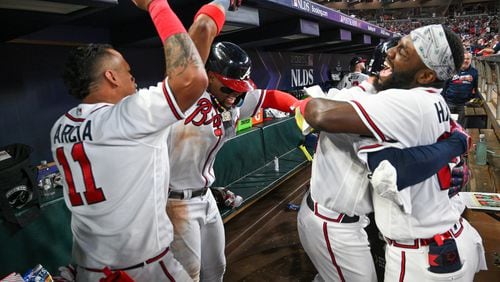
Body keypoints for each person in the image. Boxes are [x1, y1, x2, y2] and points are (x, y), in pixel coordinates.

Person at [295, 24, 486, 281]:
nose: (391, 53)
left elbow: (319, 113)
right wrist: (455, 145)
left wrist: (454, 147)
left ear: (426, 76)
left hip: (424, 253)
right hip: (340, 220)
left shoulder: (404, 101)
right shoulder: (434, 101)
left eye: (403, 52)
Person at [49, 0, 219, 280]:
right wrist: (156, 4)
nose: (134, 79)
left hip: (88, 270)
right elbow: (191, 76)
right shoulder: (127, 118)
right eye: (128, 72)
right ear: (111, 77)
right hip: (143, 269)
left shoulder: (61, 127)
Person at [165, 41, 299, 282]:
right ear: (208, 76)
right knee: (188, 276)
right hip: (175, 202)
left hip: (206, 196)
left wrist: (300, 106)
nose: (235, 94)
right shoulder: (181, 101)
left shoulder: (231, 103)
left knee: (216, 268)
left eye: (239, 89)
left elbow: (270, 96)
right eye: (227, 88)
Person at [441, 51, 480, 126]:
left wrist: (474, 100)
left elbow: (477, 88)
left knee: (461, 126)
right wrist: (443, 99)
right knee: (448, 125)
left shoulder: (474, 72)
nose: (465, 60)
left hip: (463, 104)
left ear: (471, 60)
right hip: (450, 102)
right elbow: (445, 86)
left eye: (468, 59)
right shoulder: (452, 70)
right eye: (464, 58)